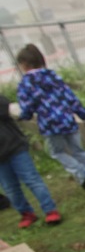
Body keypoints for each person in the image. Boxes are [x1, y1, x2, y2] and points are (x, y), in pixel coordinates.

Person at [15, 43, 85, 195]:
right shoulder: (53, 76)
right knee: (79, 151)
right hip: (68, 120)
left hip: (50, 125)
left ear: (25, 64)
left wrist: (23, 117)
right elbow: (71, 98)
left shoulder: (26, 83)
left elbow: (27, 107)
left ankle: (83, 173)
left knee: (57, 152)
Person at [0, 95, 61, 227]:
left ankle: (50, 210)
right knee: (10, 188)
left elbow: (7, 107)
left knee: (32, 180)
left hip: (15, 147)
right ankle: (26, 214)